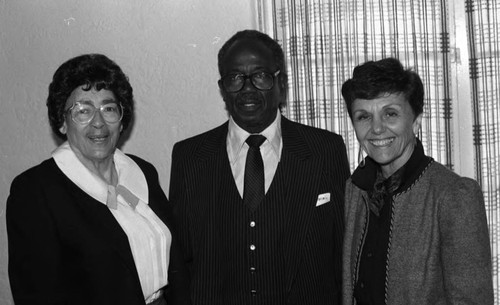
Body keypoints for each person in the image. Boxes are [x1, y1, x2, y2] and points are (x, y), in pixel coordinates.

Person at [168, 29, 351, 305]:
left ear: (282, 84)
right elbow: (180, 261)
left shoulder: (325, 150)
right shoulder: (189, 157)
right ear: (222, 88)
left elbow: (343, 255)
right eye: (235, 78)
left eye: (261, 76)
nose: (248, 88)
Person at [7, 54, 188, 305]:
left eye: (109, 108)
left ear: (121, 119)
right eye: (83, 111)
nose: (99, 123)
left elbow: (176, 268)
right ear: (62, 121)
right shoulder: (35, 192)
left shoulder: (142, 172)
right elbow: (37, 295)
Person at [341, 57, 494, 305]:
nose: (377, 129)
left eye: (390, 113)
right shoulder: (355, 190)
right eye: (363, 117)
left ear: (416, 121)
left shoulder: (454, 195)